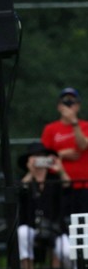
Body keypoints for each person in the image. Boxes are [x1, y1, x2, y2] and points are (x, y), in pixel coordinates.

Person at [17, 142, 72, 269]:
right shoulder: (25, 180)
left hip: (55, 227)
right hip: (32, 226)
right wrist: (31, 173)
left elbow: (68, 187)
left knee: (68, 252)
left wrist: (60, 170)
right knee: (22, 233)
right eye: (36, 157)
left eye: (42, 157)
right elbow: (18, 192)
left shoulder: (54, 179)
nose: (40, 160)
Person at [40, 87, 88, 216]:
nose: (69, 106)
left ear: (78, 106)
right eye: (65, 103)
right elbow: (42, 159)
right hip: (58, 184)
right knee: (60, 222)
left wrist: (74, 123)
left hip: (83, 184)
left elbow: (83, 145)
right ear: (59, 106)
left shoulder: (85, 126)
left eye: (72, 103)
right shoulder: (50, 129)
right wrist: (61, 154)